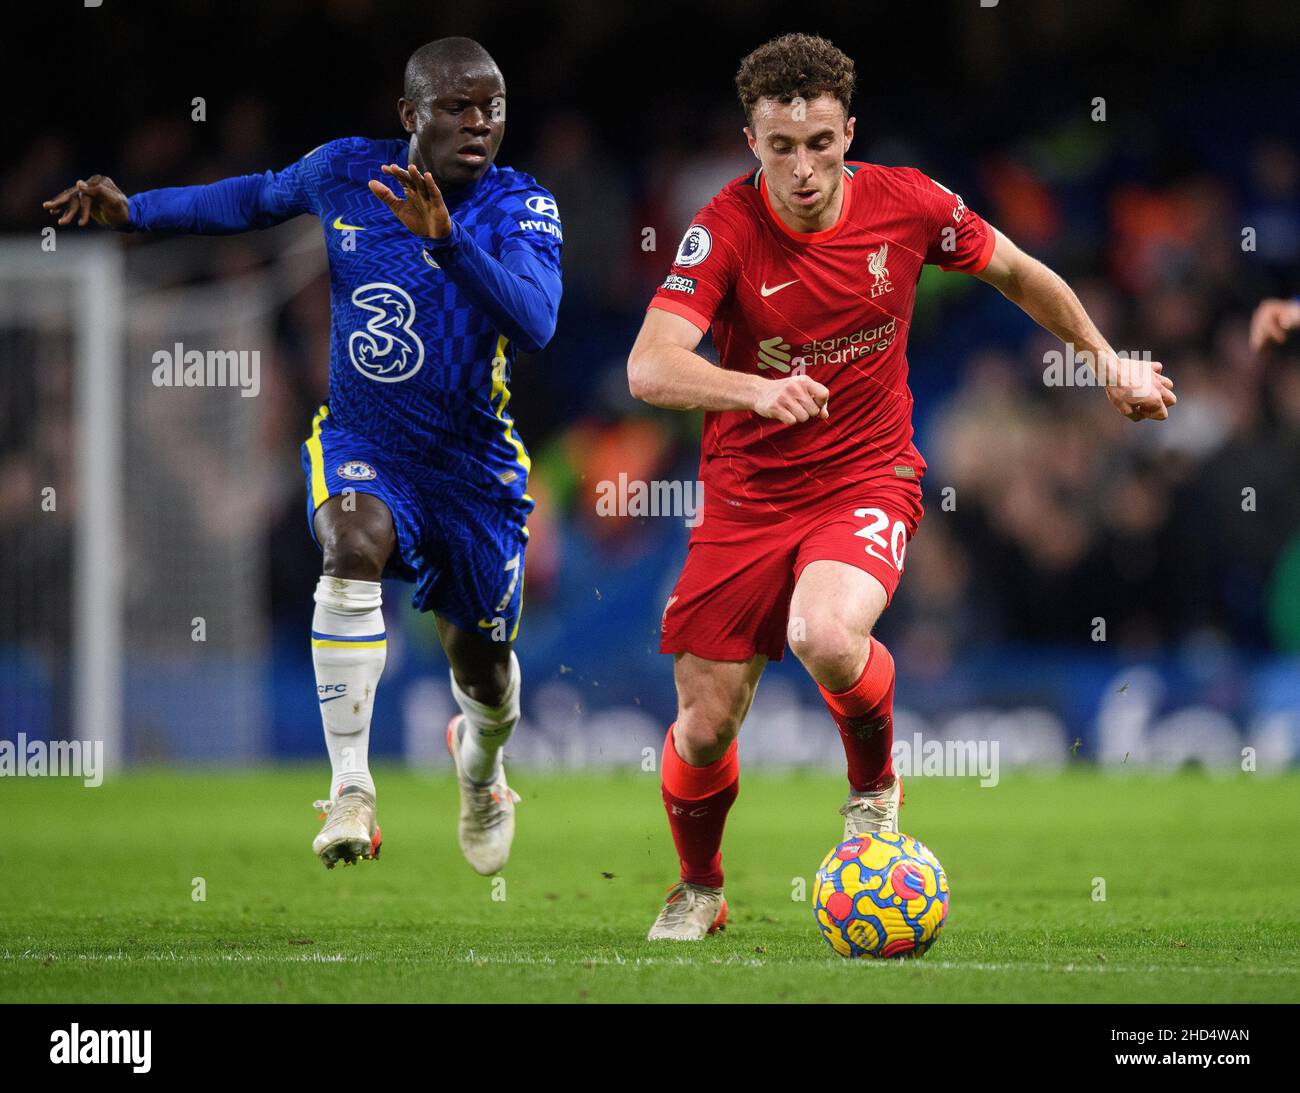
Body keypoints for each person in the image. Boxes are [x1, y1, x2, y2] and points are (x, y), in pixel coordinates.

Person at [626, 32, 1175, 940]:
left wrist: (1108, 363)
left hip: (867, 476)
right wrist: (756, 389)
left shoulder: (910, 203)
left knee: (825, 634)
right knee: (705, 724)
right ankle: (700, 887)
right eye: (780, 147)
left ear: (850, 133)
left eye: (821, 144)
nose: (802, 168)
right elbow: (650, 368)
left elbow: (1018, 271)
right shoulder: (722, 229)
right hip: (745, 496)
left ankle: (874, 792)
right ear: (750, 141)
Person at [44, 37, 563, 876]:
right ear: (410, 115)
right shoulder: (343, 173)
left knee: (487, 675)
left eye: (492, 107)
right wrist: (136, 211)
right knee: (349, 544)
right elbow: (251, 197)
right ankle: (351, 788)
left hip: (474, 475)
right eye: (457, 107)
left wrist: (449, 244)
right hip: (365, 440)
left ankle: (482, 770)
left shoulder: (519, 205)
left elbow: (536, 324)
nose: (479, 124)